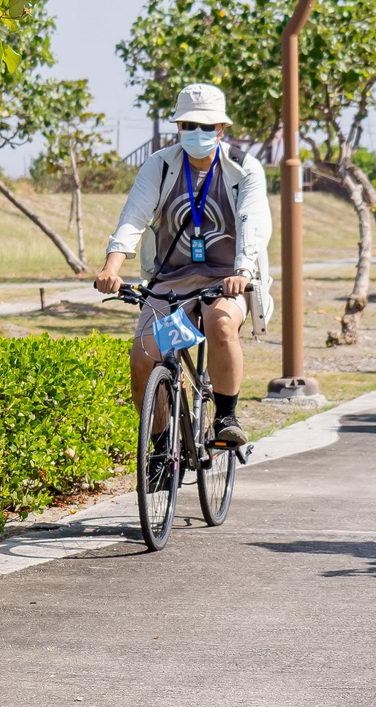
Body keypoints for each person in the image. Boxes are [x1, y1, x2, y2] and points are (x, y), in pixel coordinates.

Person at [94, 82, 272, 447]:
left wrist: (241, 273)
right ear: (179, 128)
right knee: (145, 354)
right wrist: (112, 267)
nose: (198, 133)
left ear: (221, 129)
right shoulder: (160, 166)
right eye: (190, 125)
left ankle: (225, 417)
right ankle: (159, 446)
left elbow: (253, 221)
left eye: (207, 127)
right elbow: (134, 216)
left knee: (220, 323)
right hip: (171, 279)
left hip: (226, 279)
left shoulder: (243, 167)